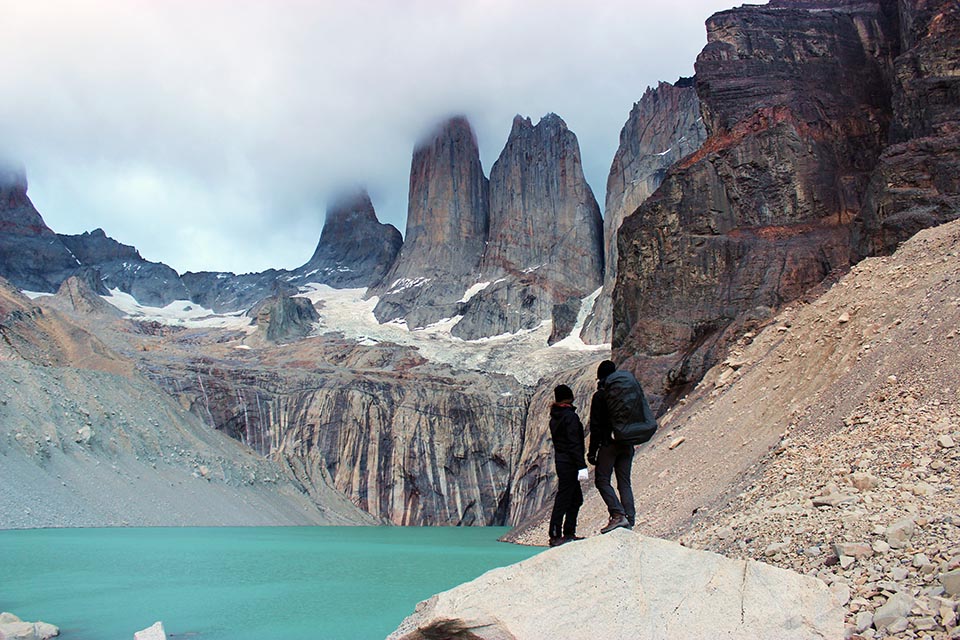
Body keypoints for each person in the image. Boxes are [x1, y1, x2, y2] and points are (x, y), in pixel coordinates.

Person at [588, 360, 636, 534]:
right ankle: (629, 518)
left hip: (609, 444)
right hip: (627, 442)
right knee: (624, 482)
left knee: (602, 480)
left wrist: (592, 452)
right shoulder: (626, 393)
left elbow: (596, 426)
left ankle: (617, 514)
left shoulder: (600, 396)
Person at [548, 384, 588, 547]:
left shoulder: (555, 418)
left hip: (562, 461)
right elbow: (574, 443)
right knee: (566, 498)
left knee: (573, 498)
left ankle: (566, 533)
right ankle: (557, 534)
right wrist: (581, 465)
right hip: (570, 463)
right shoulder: (570, 417)